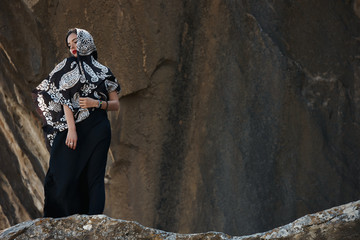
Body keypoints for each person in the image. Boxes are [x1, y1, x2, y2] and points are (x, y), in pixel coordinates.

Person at [32, 28, 120, 217]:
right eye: (69, 45)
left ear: (86, 41)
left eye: (75, 42)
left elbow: (116, 105)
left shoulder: (104, 72)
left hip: (98, 128)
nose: (72, 47)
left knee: (95, 178)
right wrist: (71, 130)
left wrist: (96, 103)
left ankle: (94, 221)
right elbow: (63, 99)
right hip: (73, 127)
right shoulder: (66, 66)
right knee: (59, 173)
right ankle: (57, 221)